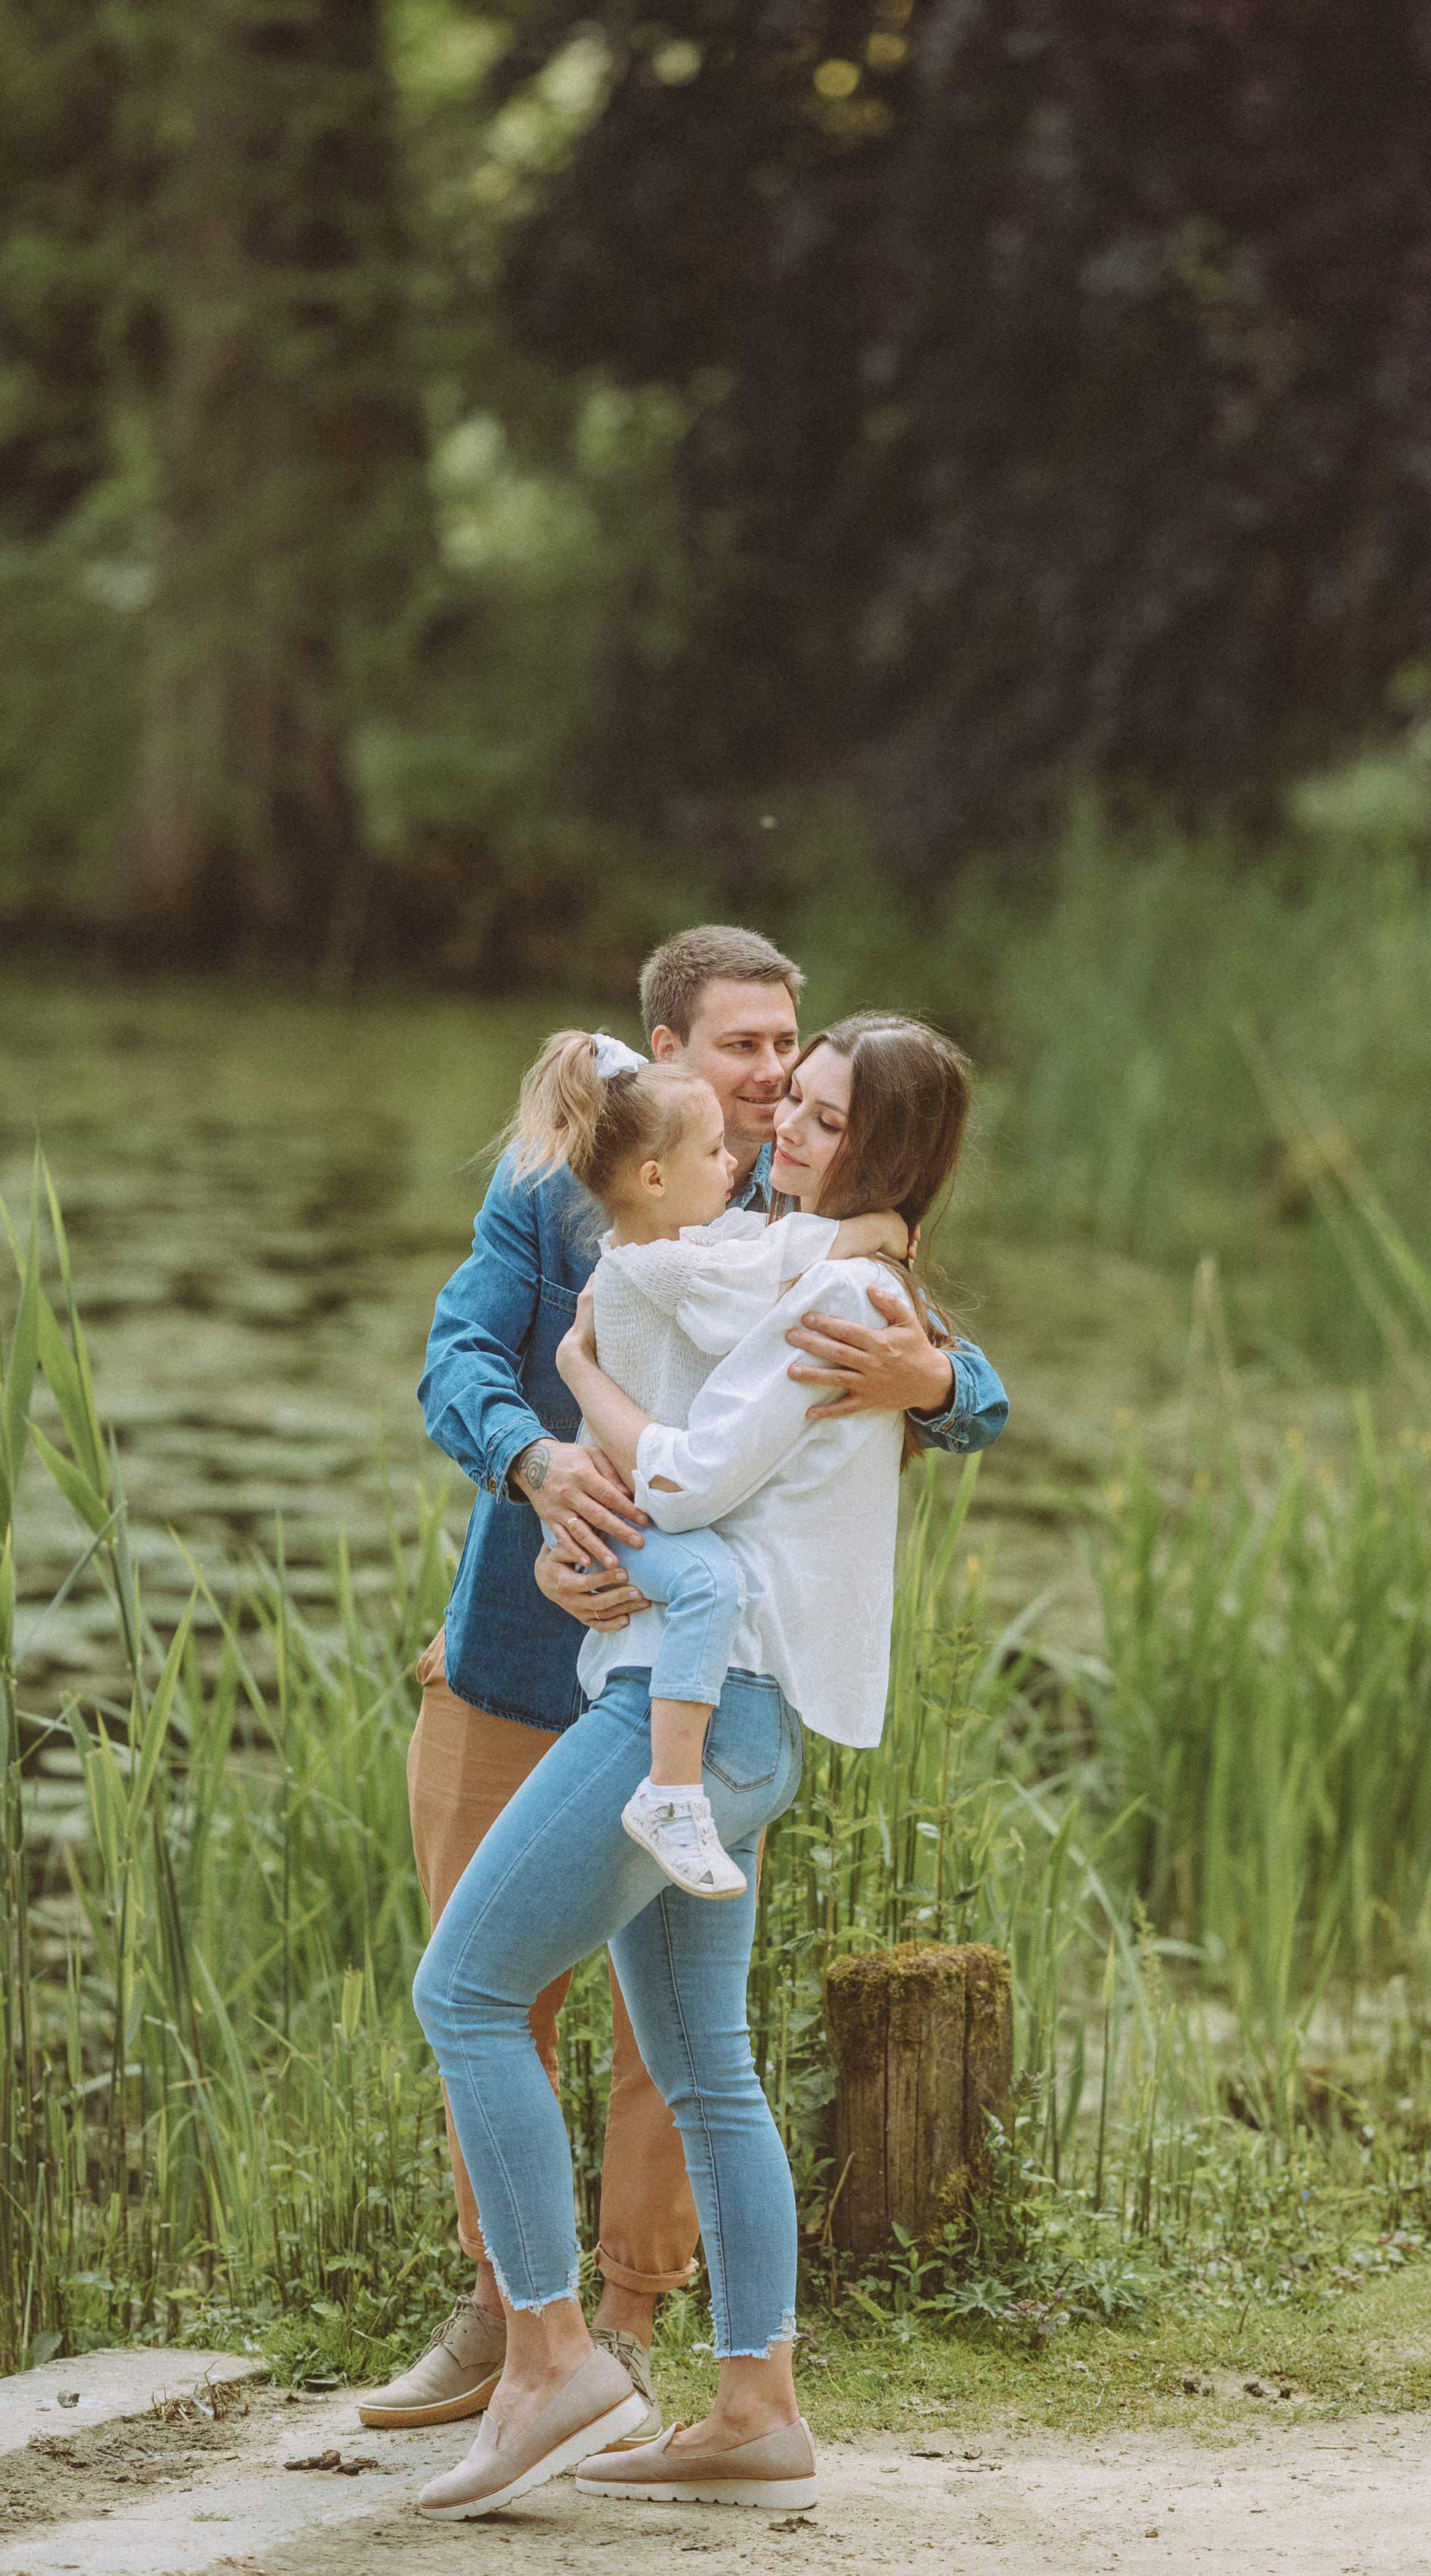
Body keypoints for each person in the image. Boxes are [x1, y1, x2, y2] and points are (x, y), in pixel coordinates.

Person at [358, 926, 1008, 2434]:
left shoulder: (790, 1217)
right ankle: (504, 2314)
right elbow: (455, 1361)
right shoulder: (553, 1195)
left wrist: (938, 1385)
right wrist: (534, 1467)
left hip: (685, 1677)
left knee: (665, 2052)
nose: (772, 1085)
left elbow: (928, 1356)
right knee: (491, 1995)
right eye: (744, 1052)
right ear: (663, 1057)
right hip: (514, 1650)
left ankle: (623, 2329)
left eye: (790, 1055)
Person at [509, 1020, 908, 1896]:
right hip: (631, 1507)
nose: (739, 1166)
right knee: (710, 1584)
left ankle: (674, 1786)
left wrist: (934, 1373)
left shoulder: (677, 1249)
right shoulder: (658, 1270)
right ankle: (674, 1790)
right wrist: (864, 1232)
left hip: (635, 1507)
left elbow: (756, 1254)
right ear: (654, 1178)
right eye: (716, 1153)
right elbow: (757, 1280)